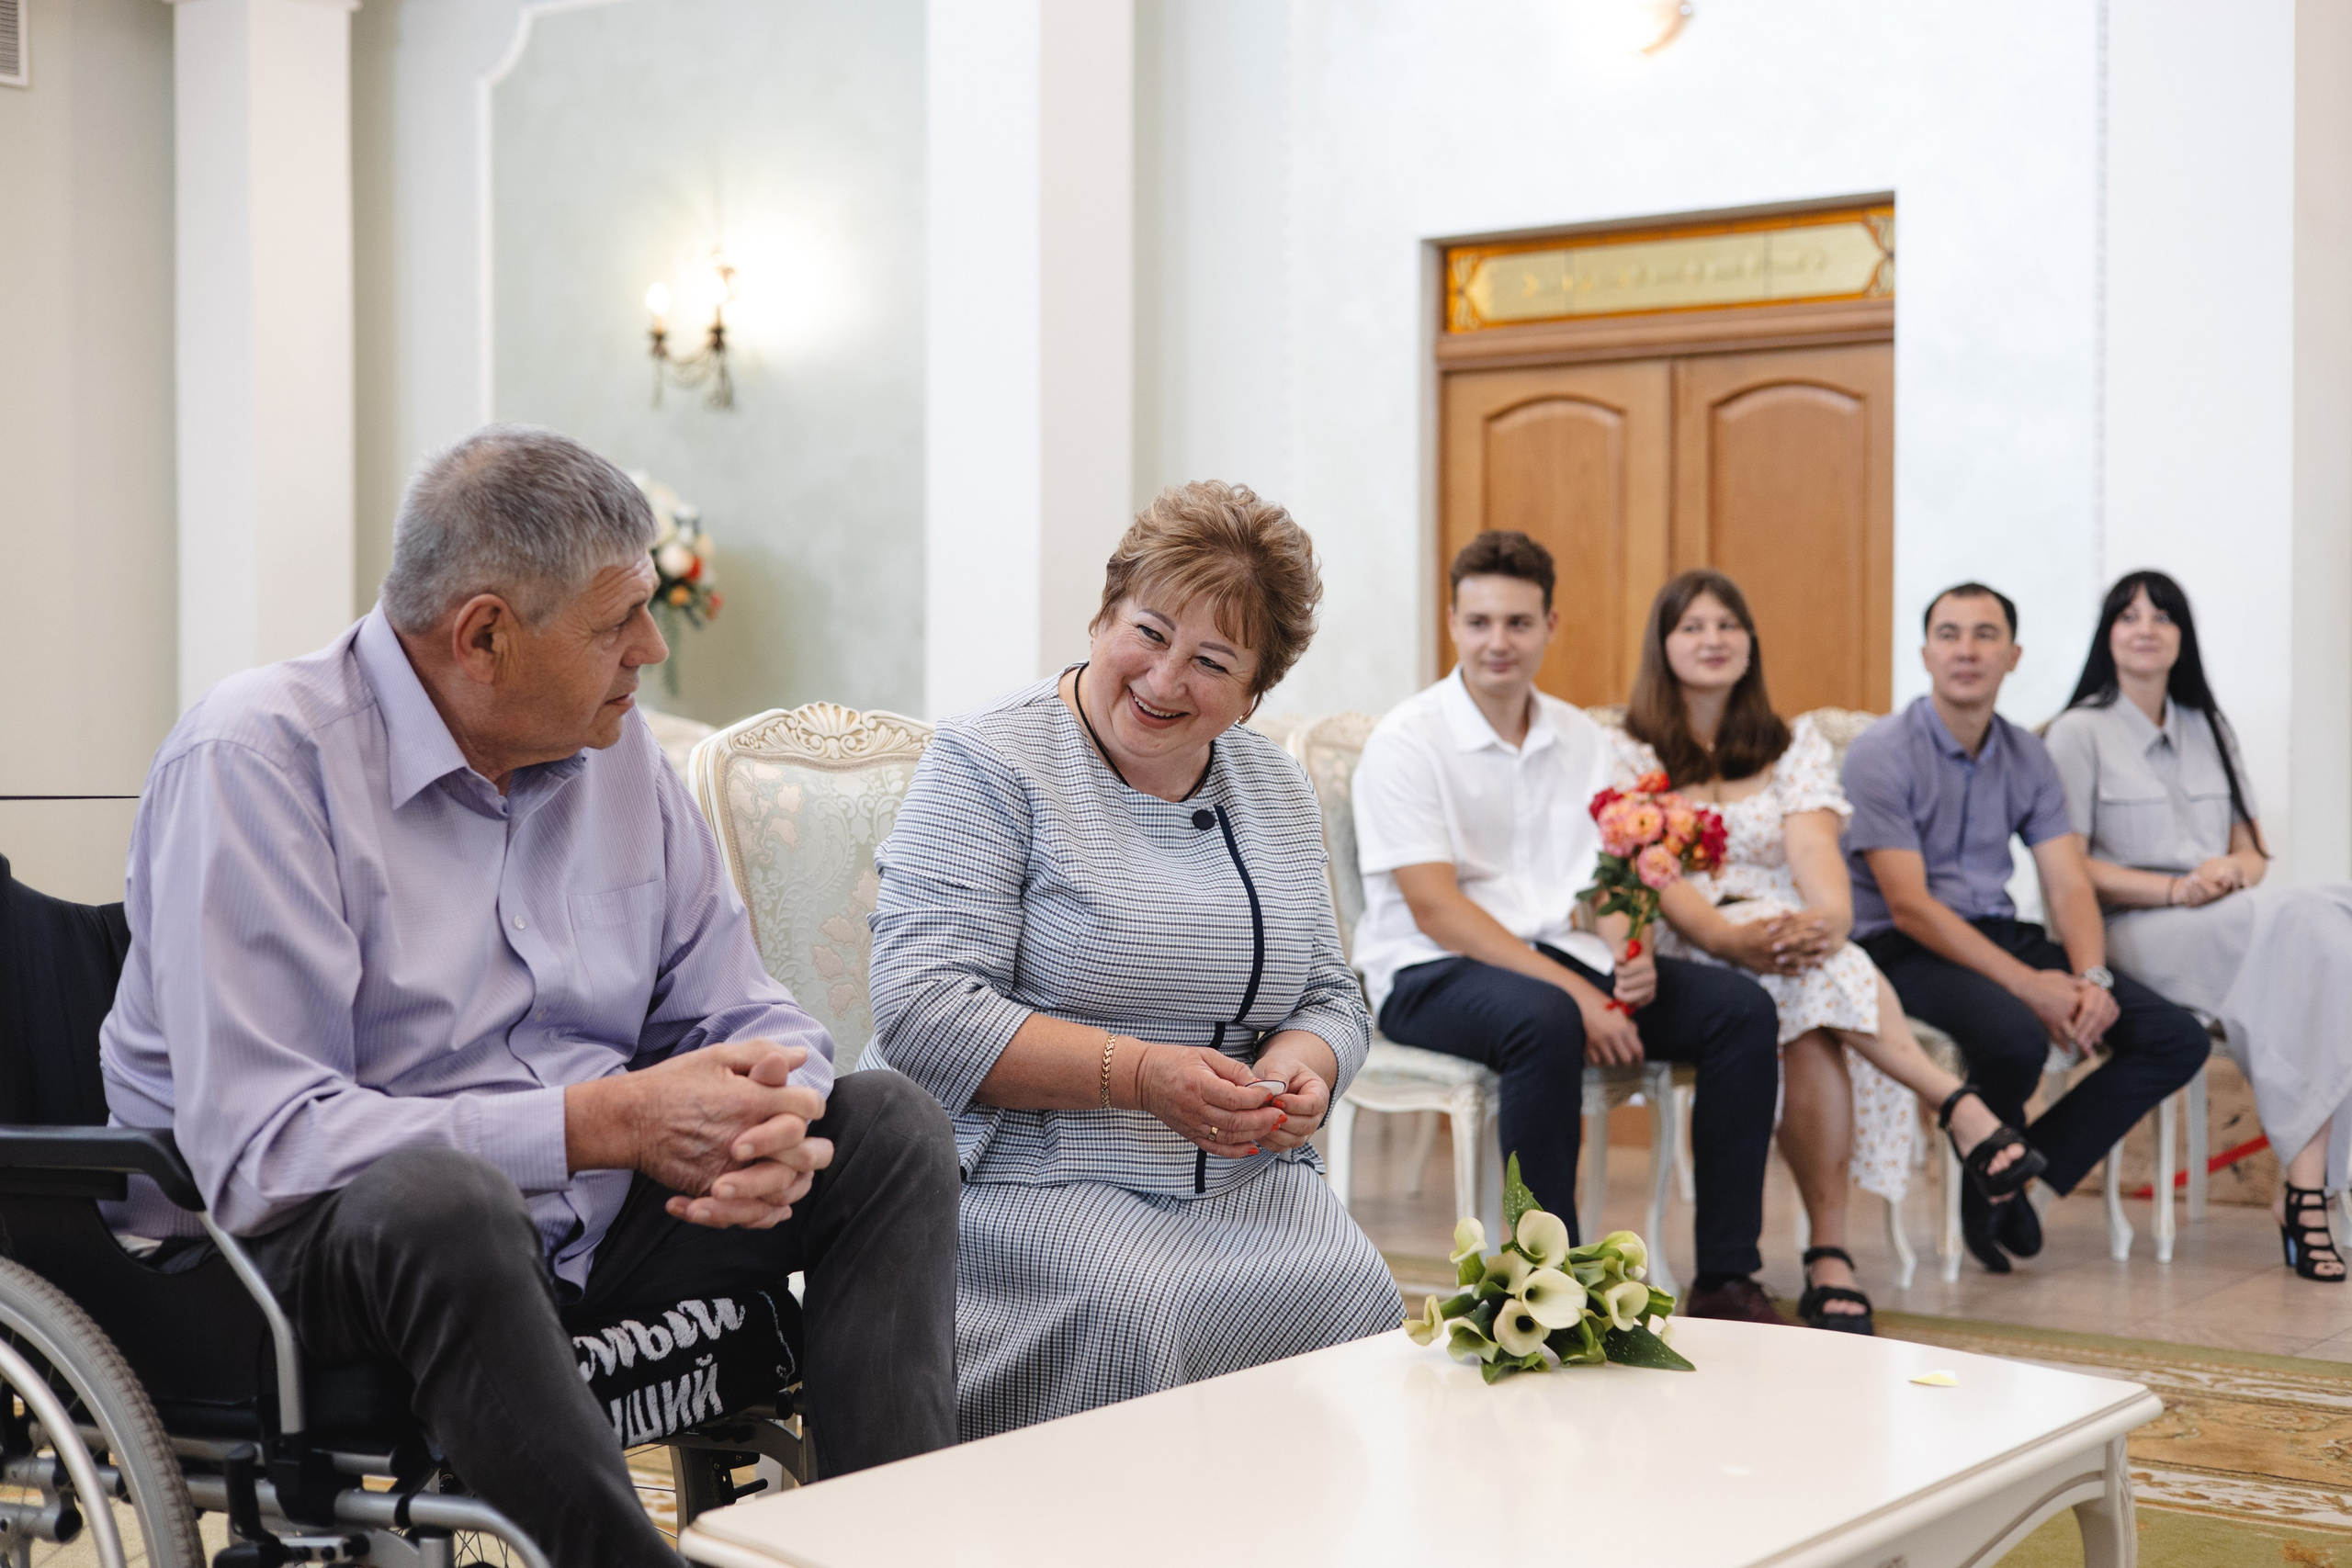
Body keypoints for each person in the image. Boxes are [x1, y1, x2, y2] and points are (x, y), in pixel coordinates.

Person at [99, 425, 960, 1568]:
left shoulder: (618, 754)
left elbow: (743, 1008)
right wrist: (608, 1124)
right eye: (616, 625)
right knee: (448, 1200)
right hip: (285, 1268)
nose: (651, 648)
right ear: (485, 636)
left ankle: (881, 1554)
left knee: (887, 1125)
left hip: (579, 1234)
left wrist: (772, 1118)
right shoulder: (256, 761)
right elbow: (267, 1149)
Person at [867, 480, 1402, 1439]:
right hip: (1024, 1173)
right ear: (1102, 615)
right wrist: (1144, 1075)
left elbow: (1330, 992)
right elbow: (922, 1005)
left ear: (1251, 696)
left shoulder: (1274, 787)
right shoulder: (990, 760)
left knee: (1354, 1290)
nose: (1163, 681)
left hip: (1239, 1170)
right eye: (1148, 633)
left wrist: (1302, 1066)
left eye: (1211, 661)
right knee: (1141, 1309)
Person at [1351, 531, 1785, 1325]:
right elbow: (1434, 907)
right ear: (1452, 621)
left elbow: (1610, 874)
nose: (1498, 642)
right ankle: (1547, 1287)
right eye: (1480, 621)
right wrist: (1582, 996)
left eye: (1518, 622)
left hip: (1561, 956)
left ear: (1553, 623)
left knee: (1741, 1009)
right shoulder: (1407, 740)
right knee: (1545, 1019)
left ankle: (1726, 1273)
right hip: (1429, 970)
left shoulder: (1584, 738)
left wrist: (1632, 949)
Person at [1611, 571, 2045, 1331]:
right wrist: (1727, 938)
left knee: (1812, 994)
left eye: (1728, 624)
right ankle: (1945, 1116)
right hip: (1692, 940)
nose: (1713, 639)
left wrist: (1832, 917)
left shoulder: (1792, 740)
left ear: (1750, 643)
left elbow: (1815, 849)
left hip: (1790, 933)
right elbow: (1653, 873)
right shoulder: (1627, 750)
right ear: (1664, 644)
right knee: (1802, 986)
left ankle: (1835, 1246)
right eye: (1693, 626)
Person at [1843, 581, 2209, 1273]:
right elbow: (1910, 905)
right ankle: (1994, 1179)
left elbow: (2067, 879)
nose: (1967, 650)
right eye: (1949, 634)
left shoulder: (2027, 754)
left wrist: (2090, 977)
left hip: (1995, 929)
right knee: (2013, 1036)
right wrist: (2031, 988)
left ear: (2013, 655)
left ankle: (2019, 1173)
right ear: (1925, 652)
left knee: (2173, 1037)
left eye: (1985, 635)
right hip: (1899, 944)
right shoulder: (1881, 751)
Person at [2048, 570, 2349, 1283]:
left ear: (2182, 635)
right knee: (2314, 926)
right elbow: (2071, 868)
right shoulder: (2077, 732)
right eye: (2128, 615)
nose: (2146, 626)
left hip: (2222, 919)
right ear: (2109, 635)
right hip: (2132, 929)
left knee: (2329, 931)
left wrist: (2229, 874)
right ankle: (2310, 1193)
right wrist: (2178, 888)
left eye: (2162, 614)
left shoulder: (2209, 727)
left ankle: (2302, 1185)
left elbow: (2253, 852)